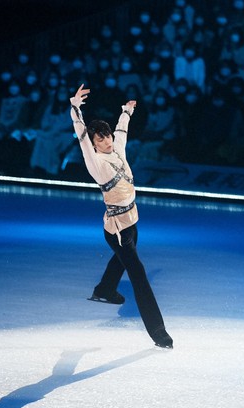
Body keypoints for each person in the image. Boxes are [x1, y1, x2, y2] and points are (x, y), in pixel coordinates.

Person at [69, 84, 173, 349]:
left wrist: (126, 112)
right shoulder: (97, 163)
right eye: (100, 140)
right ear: (93, 144)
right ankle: (159, 332)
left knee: (123, 259)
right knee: (137, 272)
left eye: (106, 137)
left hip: (132, 220)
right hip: (116, 228)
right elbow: (81, 137)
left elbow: (121, 131)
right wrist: (75, 109)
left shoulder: (117, 152)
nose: (106, 141)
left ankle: (104, 289)